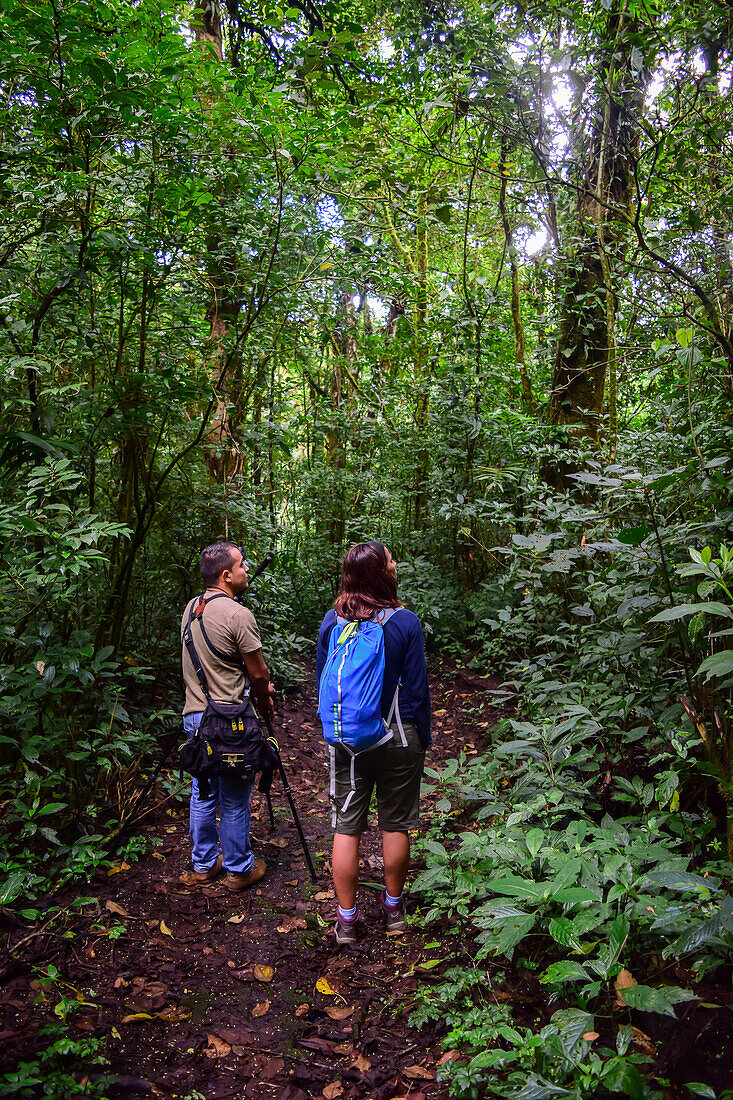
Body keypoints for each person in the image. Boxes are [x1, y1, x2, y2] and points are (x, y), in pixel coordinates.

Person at [316, 541, 431, 945]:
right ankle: (393, 912)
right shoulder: (405, 623)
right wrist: (424, 738)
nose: (396, 563)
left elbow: (323, 686)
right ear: (381, 572)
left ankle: (346, 922)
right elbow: (416, 691)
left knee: (346, 828)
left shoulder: (332, 622)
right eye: (390, 559)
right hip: (399, 735)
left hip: (348, 741)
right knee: (395, 823)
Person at [180, 542, 275, 892]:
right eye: (242, 565)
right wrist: (265, 700)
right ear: (226, 575)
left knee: (203, 790)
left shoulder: (191, 608)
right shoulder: (238, 616)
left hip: (196, 718)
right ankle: (238, 869)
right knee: (234, 797)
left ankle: (204, 865)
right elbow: (259, 674)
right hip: (230, 723)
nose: (246, 569)